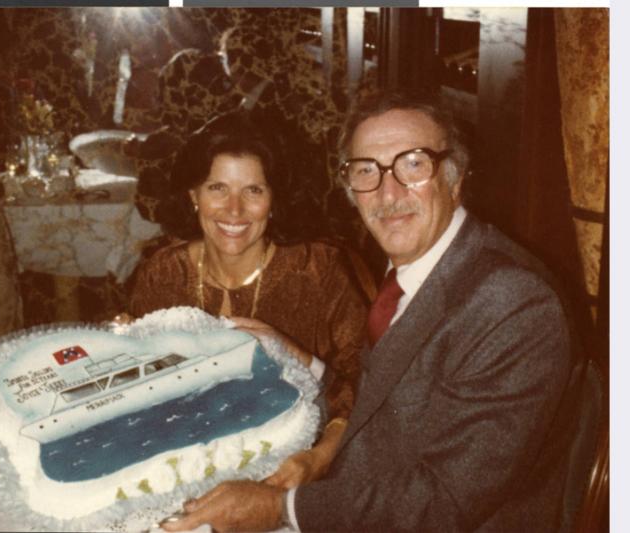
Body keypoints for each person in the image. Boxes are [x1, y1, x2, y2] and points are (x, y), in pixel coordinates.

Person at [162, 92, 578, 532]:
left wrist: (283, 509)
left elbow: (444, 501)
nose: (388, 192)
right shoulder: (418, 267)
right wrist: (303, 360)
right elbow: (389, 399)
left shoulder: (513, 302)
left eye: (413, 164)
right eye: (367, 171)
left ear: (454, 178)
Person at [129, 110, 369, 488]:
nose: (234, 210)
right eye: (217, 188)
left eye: (253, 190)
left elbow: (369, 389)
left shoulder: (319, 272)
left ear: (274, 200)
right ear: (193, 195)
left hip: (296, 475)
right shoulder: (163, 275)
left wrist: (296, 355)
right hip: (185, 476)